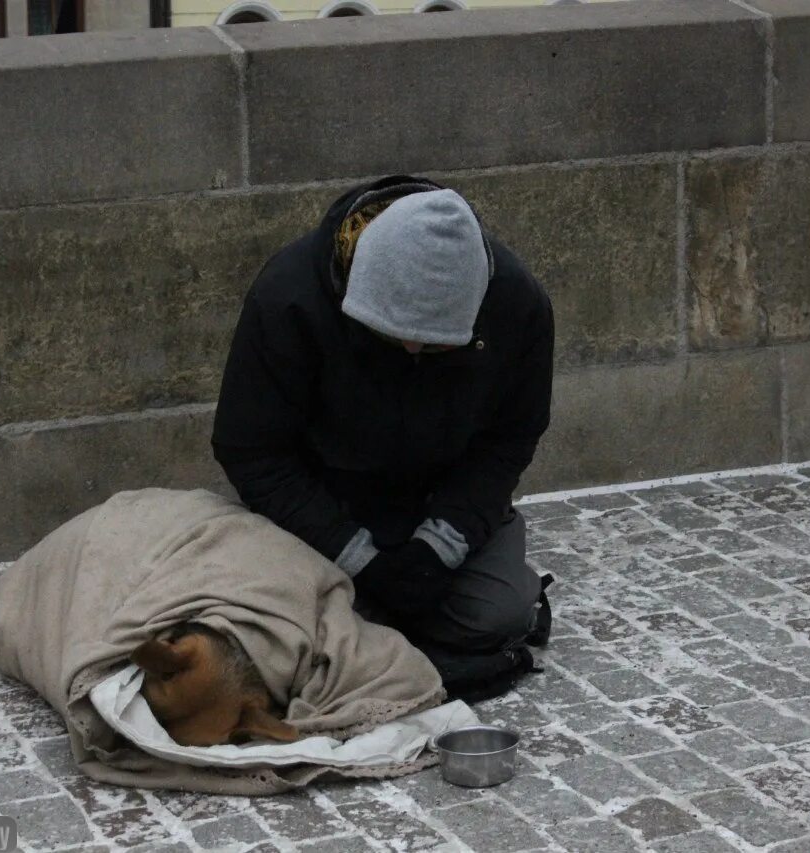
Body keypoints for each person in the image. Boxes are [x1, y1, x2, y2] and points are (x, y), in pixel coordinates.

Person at [211, 175, 554, 699]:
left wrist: (440, 545)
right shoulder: (288, 296)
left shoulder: (517, 302)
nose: (413, 352)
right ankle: (391, 641)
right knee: (281, 633)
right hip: (323, 511)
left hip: (440, 506)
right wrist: (358, 558)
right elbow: (252, 451)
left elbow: (508, 442)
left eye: (438, 347)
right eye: (395, 335)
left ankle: (383, 642)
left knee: (497, 614)